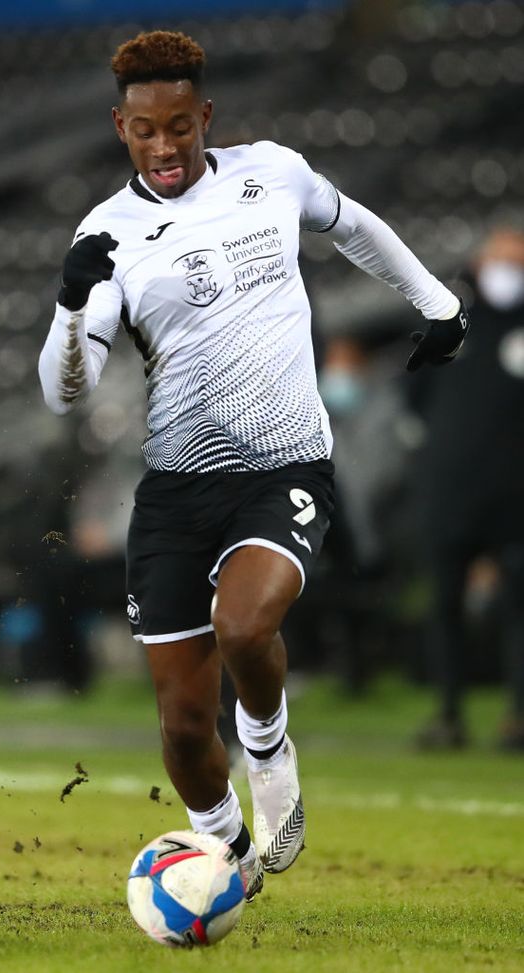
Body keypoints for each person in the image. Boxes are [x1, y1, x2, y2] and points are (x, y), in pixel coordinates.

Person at [38, 30, 469, 901]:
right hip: (175, 492)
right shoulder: (108, 234)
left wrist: (438, 303)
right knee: (183, 726)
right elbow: (61, 390)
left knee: (242, 628)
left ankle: (268, 743)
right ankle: (226, 851)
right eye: (145, 131)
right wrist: (71, 303)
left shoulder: (271, 172)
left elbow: (355, 226)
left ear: (205, 116)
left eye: (179, 127)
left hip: (285, 468)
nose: (165, 146)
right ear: (121, 128)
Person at [410, 227, 524, 751]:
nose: (508, 273)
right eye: (502, 261)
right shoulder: (450, 322)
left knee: (518, 607)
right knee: (445, 605)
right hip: (450, 493)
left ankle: (518, 716)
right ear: (479, 264)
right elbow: (414, 396)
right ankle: (449, 713)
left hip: (515, 498)